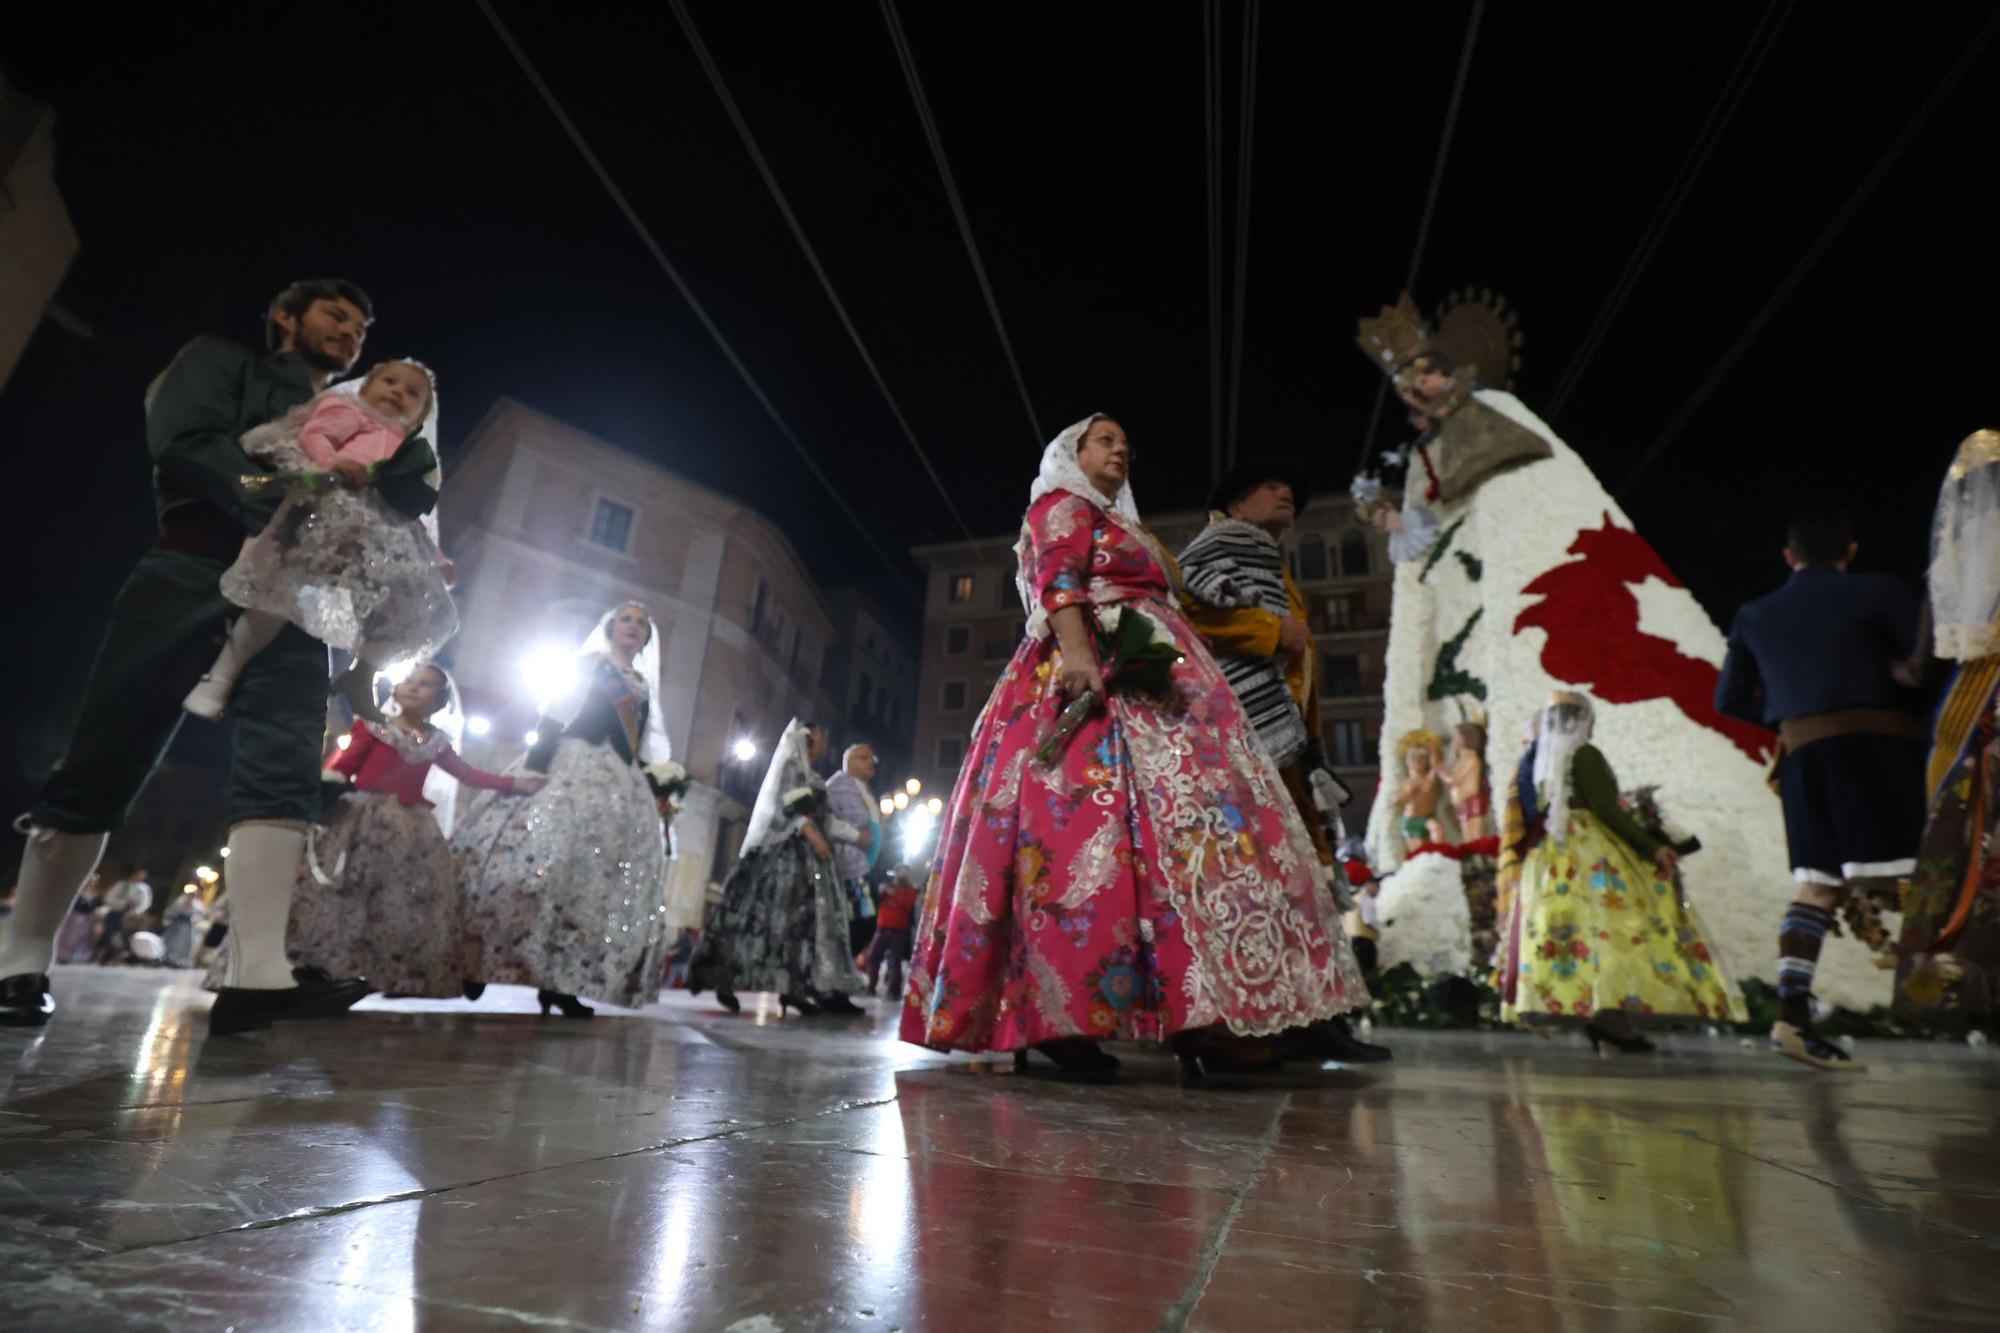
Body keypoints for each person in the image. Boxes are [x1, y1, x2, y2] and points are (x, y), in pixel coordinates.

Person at [2, 278, 436, 1035]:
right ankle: (22, 955)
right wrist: (295, 490)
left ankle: (257, 973)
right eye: (336, 314)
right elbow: (187, 443)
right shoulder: (219, 361)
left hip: (297, 597)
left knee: (284, 764)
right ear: (285, 316)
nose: (351, 331)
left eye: (362, 326)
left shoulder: (372, 422)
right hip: (191, 569)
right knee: (107, 751)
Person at [901, 413, 1368, 1081]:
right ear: (1072, 451)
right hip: (1097, 677)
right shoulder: (1060, 506)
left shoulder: (1126, 525)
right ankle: (1058, 1016)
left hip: (1163, 686)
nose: (1120, 451)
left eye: (1126, 445)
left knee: (1185, 847)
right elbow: (1058, 582)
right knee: (1077, 844)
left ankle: (1205, 1013)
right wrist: (1080, 656)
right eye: (1105, 440)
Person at [1178, 456, 1389, 1062]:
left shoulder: (1269, 562)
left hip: (1288, 746)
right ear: (1237, 502)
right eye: (1271, 487)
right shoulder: (1218, 547)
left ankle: (1315, 1012)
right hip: (1243, 744)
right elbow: (1190, 611)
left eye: (1291, 490)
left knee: (1305, 878)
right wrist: (1270, 634)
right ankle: (1276, 1018)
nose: (1285, 496)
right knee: (1260, 879)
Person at [1715, 506, 1925, 1069]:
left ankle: (1793, 1019)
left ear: (1789, 557)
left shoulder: (1755, 614)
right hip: (1883, 749)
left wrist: (1794, 716)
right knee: (1937, 872)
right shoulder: (1882, 590)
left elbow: (1728, 699)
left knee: (1816, 888)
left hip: (1804, 756)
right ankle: (1955, 996)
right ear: (1850, 552)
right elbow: (1923, 665)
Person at [184, 359, 454, 720]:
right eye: (389, 381)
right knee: (278, 596)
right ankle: (219, 676)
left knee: (415, 608)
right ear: (364, 388)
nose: (397, 392)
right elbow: (315, 435)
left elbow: (413, 512)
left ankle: (363, 674)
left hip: (373, 538)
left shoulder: (410, 451)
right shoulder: (352, 413)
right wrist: (334, 462)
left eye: (411, 393)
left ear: (421, 415)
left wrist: (436, 558)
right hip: (327, 513)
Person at [453, 603, 674, 1018]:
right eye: (626, 620)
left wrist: (655, 786)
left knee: (589, 884)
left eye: (642, 623)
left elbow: (641, 742)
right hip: (568, 767)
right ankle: (478, 959)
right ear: (610, 627)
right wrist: (537, 765)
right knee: (526, 865)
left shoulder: (642, 683)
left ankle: (560, 982)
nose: (633, 627)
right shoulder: (590, 665)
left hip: (618, 783)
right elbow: (554, 715)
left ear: (647, 638)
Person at [1496, 692, 1745, 1050]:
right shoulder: (1584, 753)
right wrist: (1652, 846)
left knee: (1578, 939)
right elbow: (1606, 809)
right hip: (1590, 854)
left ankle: (1606, 1020)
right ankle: (1612, 1017)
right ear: (1582, 720)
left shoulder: (1536, 761)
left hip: (1547, 860)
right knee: (1622, 931)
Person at [287, 664, 540, 997]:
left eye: (425, 685)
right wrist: (325, 786)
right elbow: (345, 766)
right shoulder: (374, 726)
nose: (412, 687)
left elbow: (468, 774)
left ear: (438, 701)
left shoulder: (434, 742)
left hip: (409, 828)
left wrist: (514, 783)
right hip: (363, 821)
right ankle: (328, 965)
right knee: (351, 890)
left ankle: (393, 972)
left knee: (401, 899)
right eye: (409, 680)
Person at [1894, 430, 2000, 1030]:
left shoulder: (1961, 550)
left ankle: (1956, 985)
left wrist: (1904, 671)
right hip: (1980, 704)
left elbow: (1932, 649)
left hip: (1973, 701)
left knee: (1959, 834)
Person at [686, 720, 869, 1016]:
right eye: (821, 737)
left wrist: (854, 835)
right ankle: (725, 980)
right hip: (783, 856)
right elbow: (788, 806)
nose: (824, 744)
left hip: (812, 861)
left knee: (801, 927)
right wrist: (811, 834)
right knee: (761, 921)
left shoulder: (817, 780)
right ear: (809, 740)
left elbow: (826, 819)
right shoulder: (791, 771)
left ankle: (794, 989)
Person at [824, 743, 882, 961]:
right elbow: (855, 818)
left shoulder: (858, 786)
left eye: (872, 758)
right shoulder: (843, 785)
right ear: (848, 762)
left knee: (860, 920)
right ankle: (838, 966)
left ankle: (840, 967)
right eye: (863, 757)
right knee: (862, 920)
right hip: (851, 863)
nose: (871, 762)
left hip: (860, 863)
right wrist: (861, 832)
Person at [865, 865, 921, 1000]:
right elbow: (874, 899)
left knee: (895, 961)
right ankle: (871, 986)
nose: (901, 875)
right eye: (899, 872)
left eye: (904, 872)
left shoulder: (910, 890)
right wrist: (881, 891)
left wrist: (894, 893)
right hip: (882, 928)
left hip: (899, 931)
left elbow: (908, 904)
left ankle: (894, 991)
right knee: (873, 957)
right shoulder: (886, 888)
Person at [92, 869, 153, 964]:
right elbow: (110, 898)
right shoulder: (121, 885)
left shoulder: (144, 889)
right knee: (109, 933)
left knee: (126, 937)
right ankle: (98, 956)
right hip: (117, 912)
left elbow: (145, 903)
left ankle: (118, 958)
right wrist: (123, 903)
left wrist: (136, 909)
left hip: (132, 916)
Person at [160, 890, 199, 969]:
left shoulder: (196, 903)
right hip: (178, 923)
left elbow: (199, 911)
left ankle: (180, 960)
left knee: (184, 942)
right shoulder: (181, 900)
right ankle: (168, 958)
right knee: (174, 940)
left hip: (187, 925)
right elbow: (174, 909)